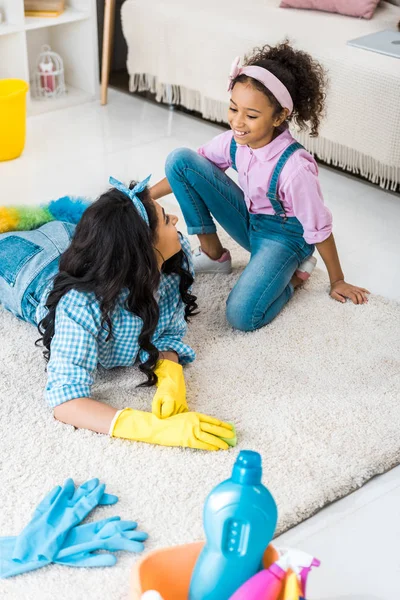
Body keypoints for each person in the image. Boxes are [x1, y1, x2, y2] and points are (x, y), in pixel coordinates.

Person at [0, 177, 234, 451]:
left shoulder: (173, 262)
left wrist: (170, 375)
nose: (174, 219)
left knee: (69, 226)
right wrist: (152, 428)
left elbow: (168, 329)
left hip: (80, 248)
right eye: (166, 220)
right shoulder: (80, 305)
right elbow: (65, 401)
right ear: (145, 251)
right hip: (29, 269)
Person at [150, 41, 369, 332]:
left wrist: (337, 280)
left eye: (251, 116)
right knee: (180, 160)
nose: (238, 122)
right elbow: (188, 172)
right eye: (233, 108)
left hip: (285, 238)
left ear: (279, 117)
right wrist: (141, 196)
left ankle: (294, 278)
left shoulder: (295, 168)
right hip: (251, 221)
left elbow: (319, 229)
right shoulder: (235, 141)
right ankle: (215, 255)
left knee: (242, 316)